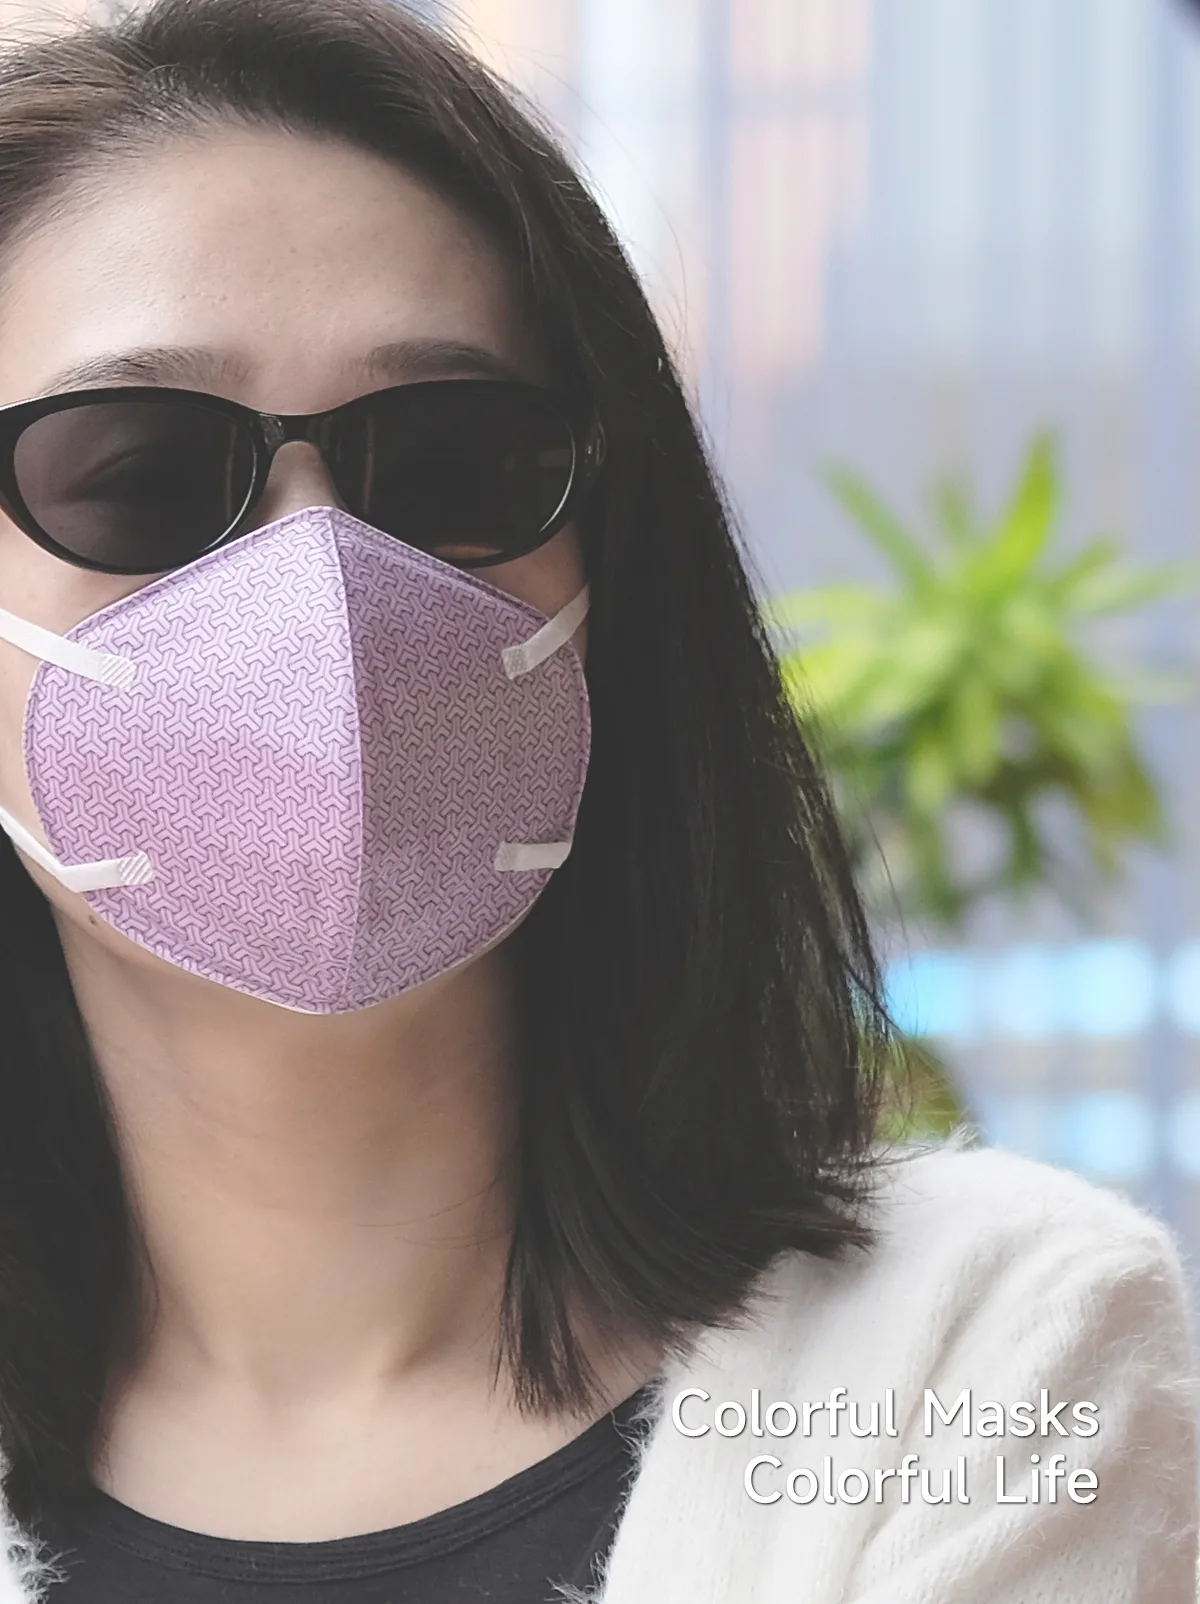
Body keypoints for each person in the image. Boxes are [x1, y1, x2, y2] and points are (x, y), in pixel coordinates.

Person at [0, 1, 1190, 1600]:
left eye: (451, 459)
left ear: (612, 570)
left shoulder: (983, 1357)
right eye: (138, 471)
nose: (320, 587)